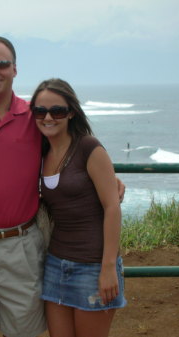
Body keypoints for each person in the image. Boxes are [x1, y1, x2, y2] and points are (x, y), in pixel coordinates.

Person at [0, 36, 125, 337]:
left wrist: (105, 178)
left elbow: (69, 149)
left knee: (23, 332)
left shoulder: (34, 117)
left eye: (2, 63)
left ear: (14, 69)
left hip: (21, 244)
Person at [30, 78, 127, 337]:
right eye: (40, 111)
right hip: (55, 264)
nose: (48, 117)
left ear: (71, 112)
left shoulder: (87, 147)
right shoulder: (40, 152)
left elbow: (112, 208)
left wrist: (108, 268)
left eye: (57, 111)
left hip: (93, 266)